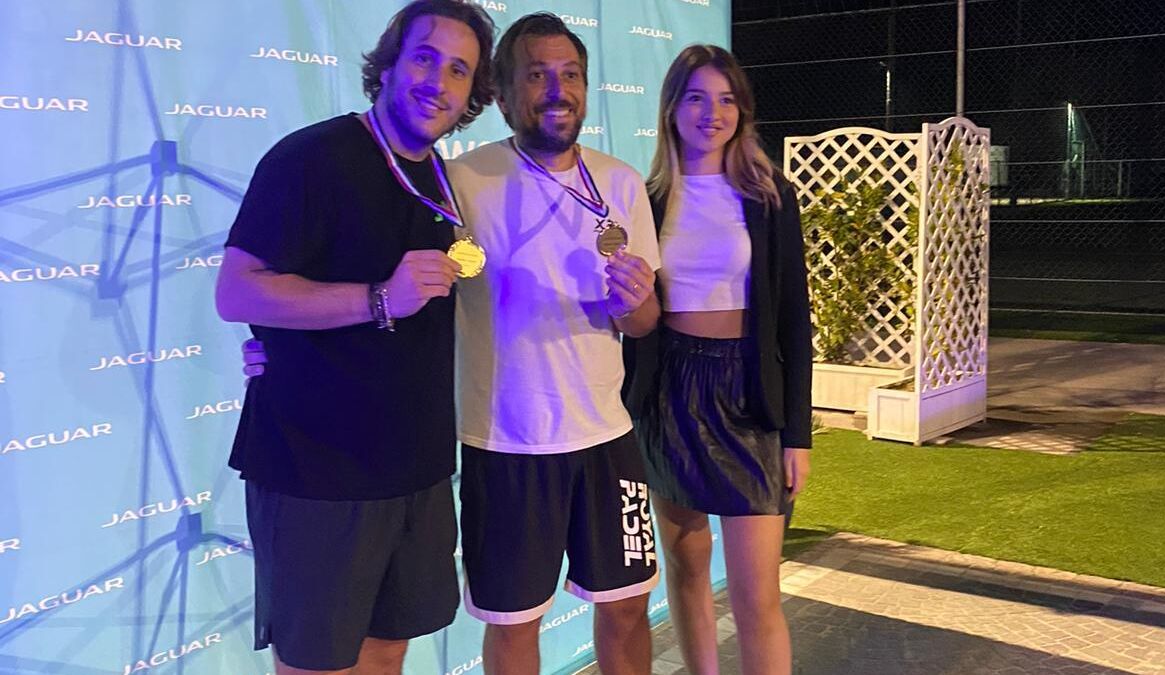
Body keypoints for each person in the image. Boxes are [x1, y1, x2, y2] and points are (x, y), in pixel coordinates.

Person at [213, 2, 495, 674]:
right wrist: (377, 299)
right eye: (424, 57)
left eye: (459, 70)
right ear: (389, 64)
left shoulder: (442, 179)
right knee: (317, 665)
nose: (438, 81)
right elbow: (237, 291)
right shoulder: (313, 157)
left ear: (472, 95)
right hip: (317, 472)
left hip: (417, 469)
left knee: (388, 653)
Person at [447, 13, 661, 675]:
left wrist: (635, 303)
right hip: (506, 444)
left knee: (627, 608)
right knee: (515, 625)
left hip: (606, 437)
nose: (556, 90)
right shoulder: (462, 182)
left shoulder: (621, 182)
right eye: (537, 75)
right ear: (503, 93)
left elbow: (644, 322)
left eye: (570, 75)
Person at [622, 44, 813, 675]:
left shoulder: (769, 195)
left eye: (727, 99)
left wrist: (798, 434)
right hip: (670, 390)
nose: (713, 113)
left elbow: (794, 321)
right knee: (687, 568)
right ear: (672, 108)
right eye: (698, 98)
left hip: (749, 392)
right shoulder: (647, 199)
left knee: (758, 596)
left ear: (743, 111)